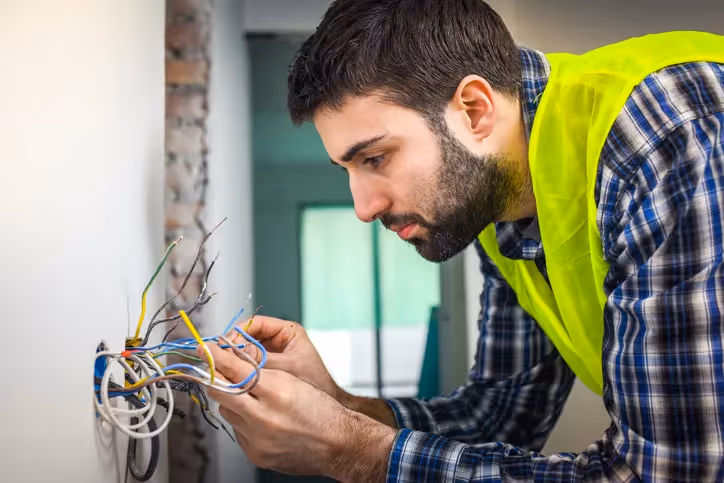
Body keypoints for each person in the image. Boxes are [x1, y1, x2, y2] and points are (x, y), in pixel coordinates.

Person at [199, 0, 724, 481]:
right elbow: (500, 415)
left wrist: (350, 450)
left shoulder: (667, 137)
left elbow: (671, 472)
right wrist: (342, 408)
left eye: (375, 158)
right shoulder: (499, 200)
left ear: (474, 110)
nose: (363, 208)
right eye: (348, 169)